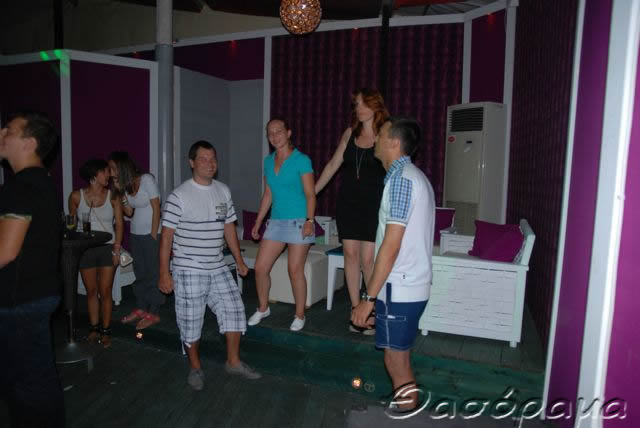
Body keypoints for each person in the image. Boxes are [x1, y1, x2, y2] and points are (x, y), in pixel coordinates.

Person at [159, 140, 260, 391]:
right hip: (188, 267)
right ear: (191, 163)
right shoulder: (179, 196)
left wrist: (239, 260)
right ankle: (195, 367)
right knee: (191, 320)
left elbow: (229, 228)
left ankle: (233, 362)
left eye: (213, 158)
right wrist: (164, 273)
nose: (210, 163)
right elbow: (167, 237)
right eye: (203, 159)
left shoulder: (223, 190)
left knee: (234, 309)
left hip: (217, 265)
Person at [352, 117, 434, 410]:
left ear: (394, 143)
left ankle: (407, 414)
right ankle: (405, 409)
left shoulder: (402, 180)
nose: (375, 138)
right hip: (405, 285)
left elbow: (391, 244)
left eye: (381, 134)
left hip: (401, 286)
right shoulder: (412, 176)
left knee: (396, 361)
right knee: (397, 357)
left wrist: (368, 298)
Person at [0, 111, 65, 426]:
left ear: (29, 143)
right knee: (35, 380)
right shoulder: (43, 181)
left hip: (20, 301)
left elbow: (5, 252)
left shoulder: (21, 186)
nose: (2, 134)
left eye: (9, 130)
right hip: (38, 293)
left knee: (26, 387)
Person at [315, 88, 389, 334]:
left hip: (373, 205)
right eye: (356, 104)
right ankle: (355, 309)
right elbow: (333, 165)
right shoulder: (349, 133)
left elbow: (394, 169)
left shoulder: (385, 133)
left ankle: (370, 310)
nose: (359, 109)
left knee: (368, 259)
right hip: (348, 203)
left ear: (375, 105)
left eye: (363, 104)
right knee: (350, 255)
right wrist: (312, 192)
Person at [247, 118, 316, 332]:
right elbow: (268, 194)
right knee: (260, 268)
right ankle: (263, 308)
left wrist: (309, 220)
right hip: (276, 221)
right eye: (270, 133)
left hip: (299, 221)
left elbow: (310, 194)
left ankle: (300, 314)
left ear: (288, 133)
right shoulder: (268, 161)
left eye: (278, 131)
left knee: (294, 270)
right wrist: (258, 221)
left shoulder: (301, 160)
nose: (274, 136)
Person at [69, 158, 124, 348]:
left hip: (107, 247)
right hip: (85, 249)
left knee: (105, 291)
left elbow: (119, 224)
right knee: (91, 291)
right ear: (94, 175)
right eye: (105, 171)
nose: (108, 175)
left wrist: (117, 248)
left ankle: (106, 330)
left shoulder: (113, 196)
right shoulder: (76, 196)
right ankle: (94, 328)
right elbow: (71, 224)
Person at [108, 151, 165, 330]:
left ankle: (154, 311)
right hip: (135, 233)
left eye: (113, 168)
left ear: (122, 167)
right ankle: (141, 307)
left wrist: (154, 235)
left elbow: (157, 208)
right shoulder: (125, 186)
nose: (110, 172)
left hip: (152, 233)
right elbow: (129, 212)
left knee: (153, 273)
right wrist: (121, 191)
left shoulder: (146, 179)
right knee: (139, 272)